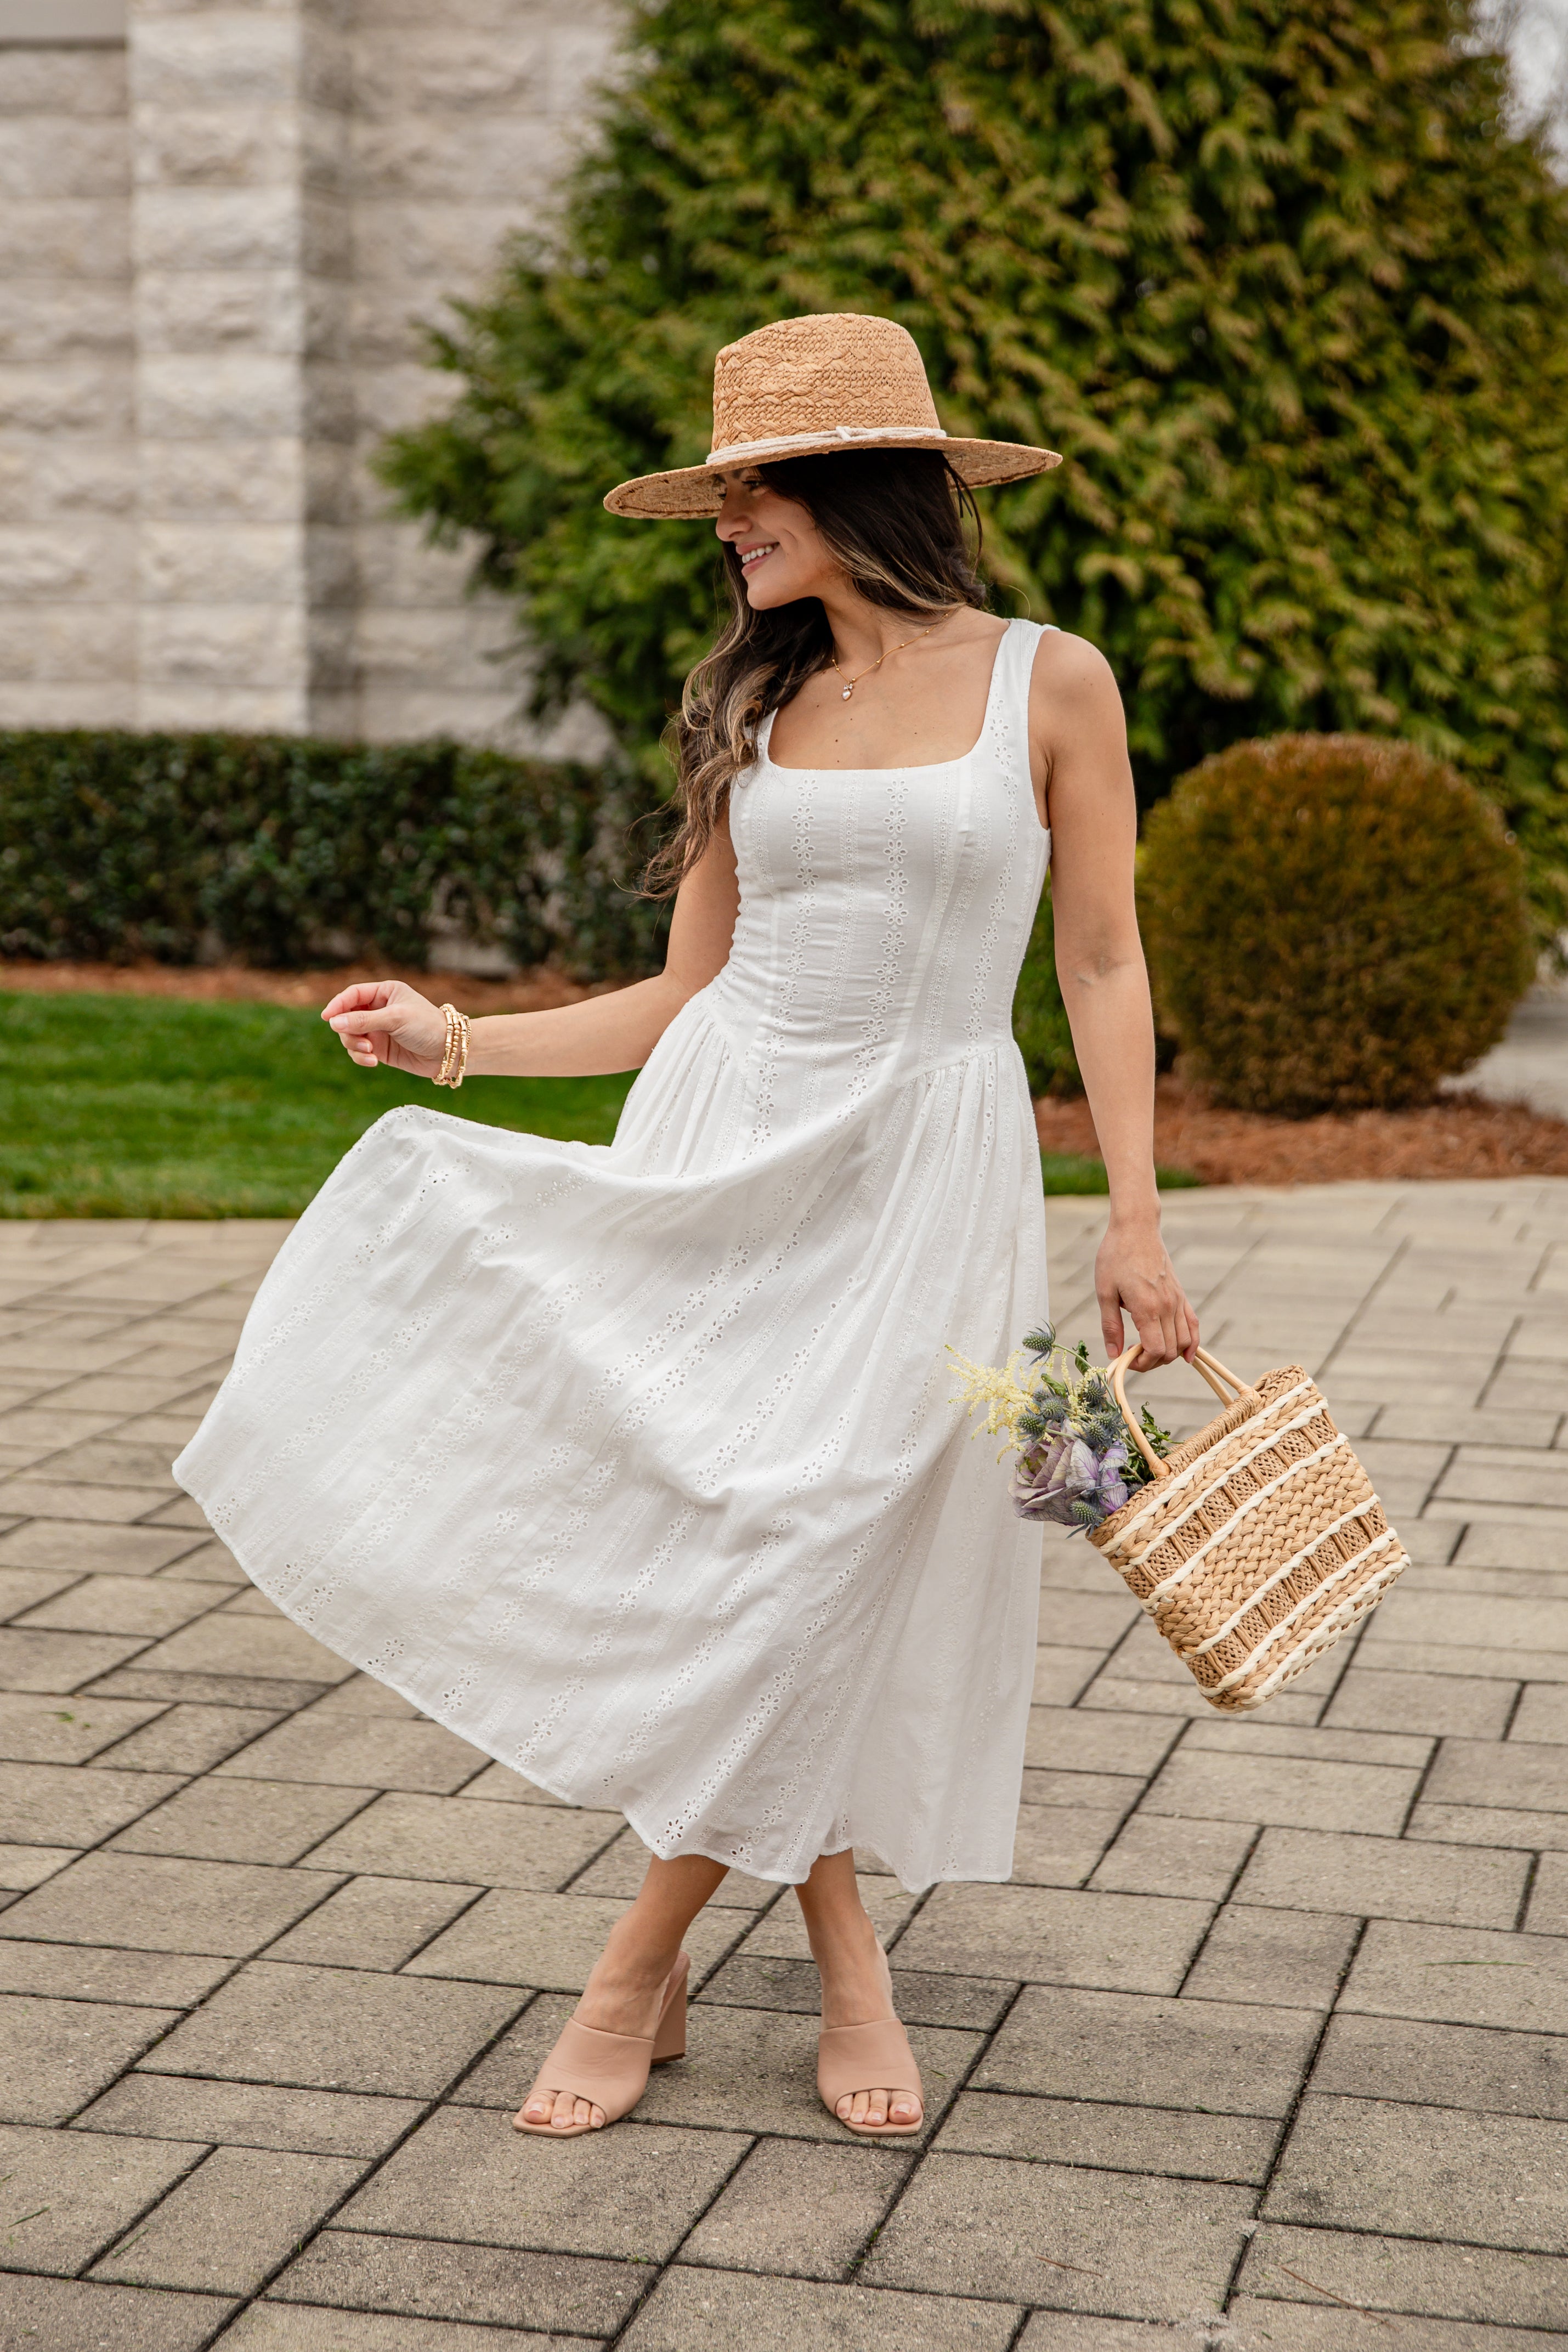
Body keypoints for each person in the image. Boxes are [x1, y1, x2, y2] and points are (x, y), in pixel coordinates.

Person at [174, 312, 1198, 2143]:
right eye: (720, 497)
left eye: (749, 493)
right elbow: (682, 991)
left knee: (836, 1540)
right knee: (759, 1548)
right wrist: (457, 1042)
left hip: (931, 1162)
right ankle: (840, 1963)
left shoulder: (1053, 682)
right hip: (728, 1145)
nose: (726, 524)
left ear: (852, 488)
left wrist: (1133, 1218)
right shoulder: (750, 700)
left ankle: (633, 1968)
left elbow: (1102, 957)